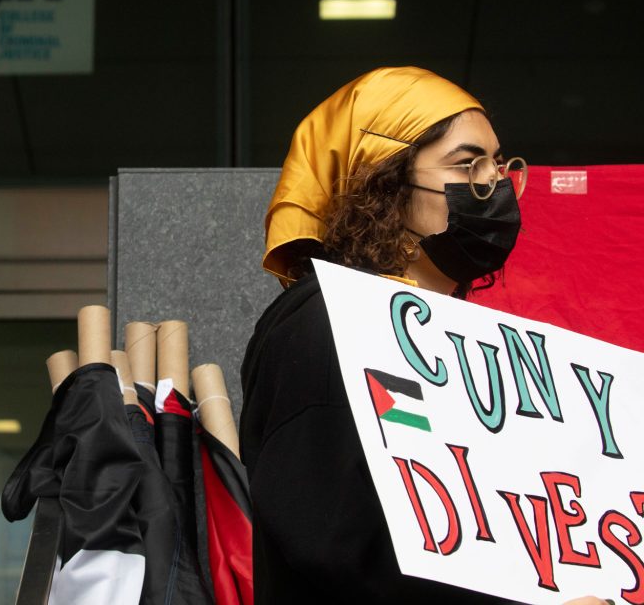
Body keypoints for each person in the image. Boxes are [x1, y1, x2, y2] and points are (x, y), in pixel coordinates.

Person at [239, 67, 606, 604]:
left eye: (499, 165)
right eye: (466, 164)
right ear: (382, 182)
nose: (495, 186)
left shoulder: (454, 339)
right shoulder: (325, 322)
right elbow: (342, 540)